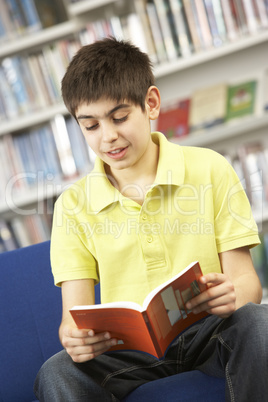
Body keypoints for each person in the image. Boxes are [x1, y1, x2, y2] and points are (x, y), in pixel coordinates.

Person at [34, 37, 268, 401]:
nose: (108, 136)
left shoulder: (210, 169)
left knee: (260, 323)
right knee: (58, 371)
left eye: (120, 117)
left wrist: (232, 296)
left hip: (209, 332)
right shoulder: (72, 205)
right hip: (130, 353)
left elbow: (247, 284)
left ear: (151, 104)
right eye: (91, 125)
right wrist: (75, 340)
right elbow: (71, 319)